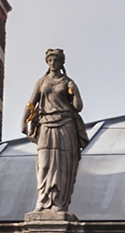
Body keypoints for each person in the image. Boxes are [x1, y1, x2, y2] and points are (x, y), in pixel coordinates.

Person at [23, 48, 89, 214]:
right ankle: (43, 201)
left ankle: (59, 202)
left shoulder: (68, 82)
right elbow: (31, 103)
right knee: (44, 164)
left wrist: (74, 92)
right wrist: (24, 121)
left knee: (63, 165)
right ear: (47, 62)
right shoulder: (42, 82)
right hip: (45, 125)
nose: (53, 63)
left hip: (66, 125)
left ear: (61, 62)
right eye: (51, 60)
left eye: (56, 60)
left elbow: (78, 107)